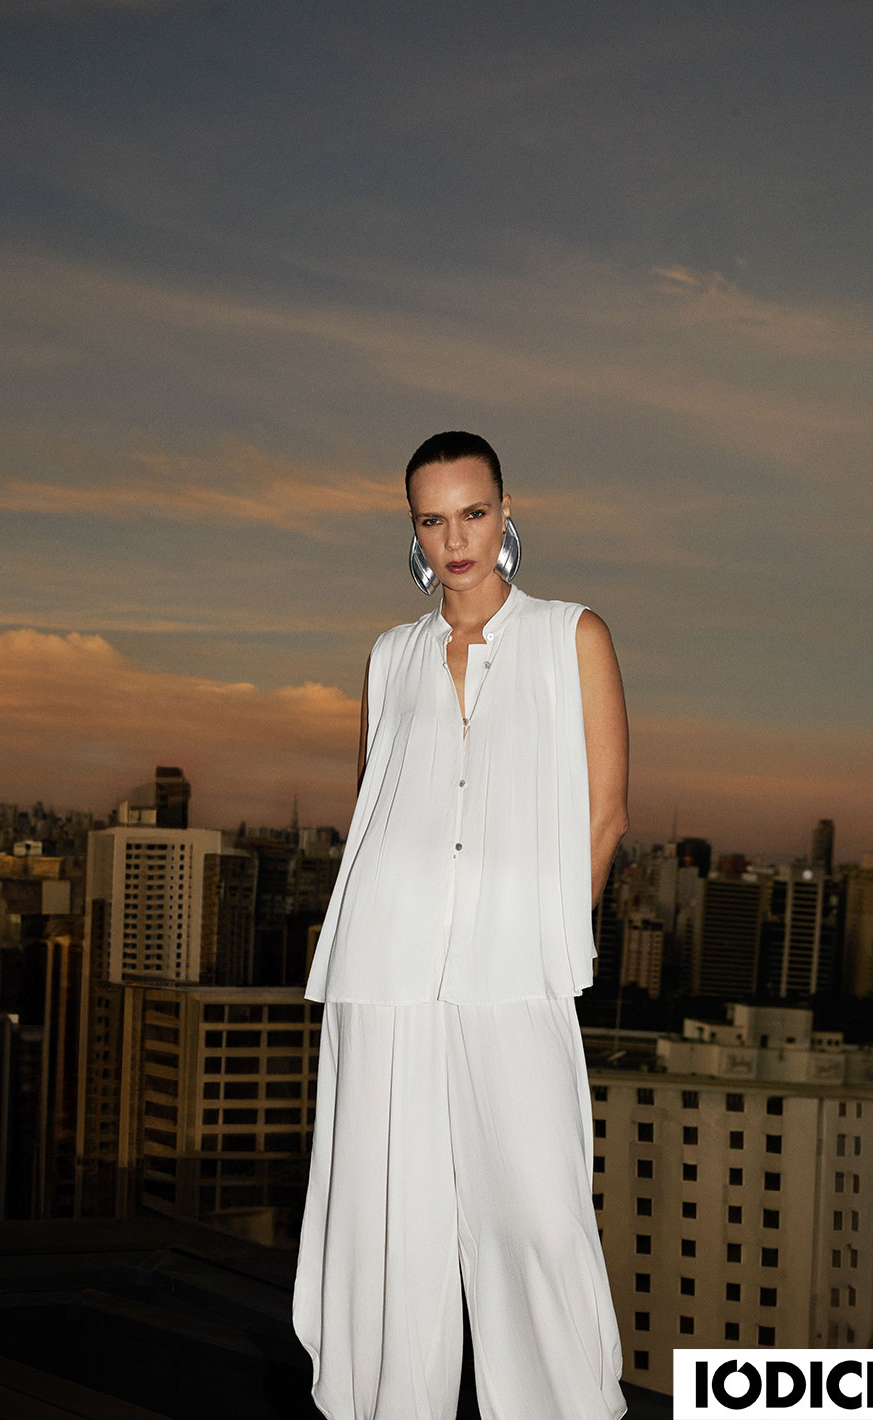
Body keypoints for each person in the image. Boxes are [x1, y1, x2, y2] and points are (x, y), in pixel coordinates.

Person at [292, 431, 629, 1420]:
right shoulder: (388, 655)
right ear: (413, 530)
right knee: (389, 1220)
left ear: (505, 511)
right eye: (432, 520)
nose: (455, 540)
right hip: (381, 967)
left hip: (514, 971)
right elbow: (375, 804)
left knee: (537, 1213)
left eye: (472, 513)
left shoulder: (572, 635)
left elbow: (605, 815)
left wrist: (541, 939)